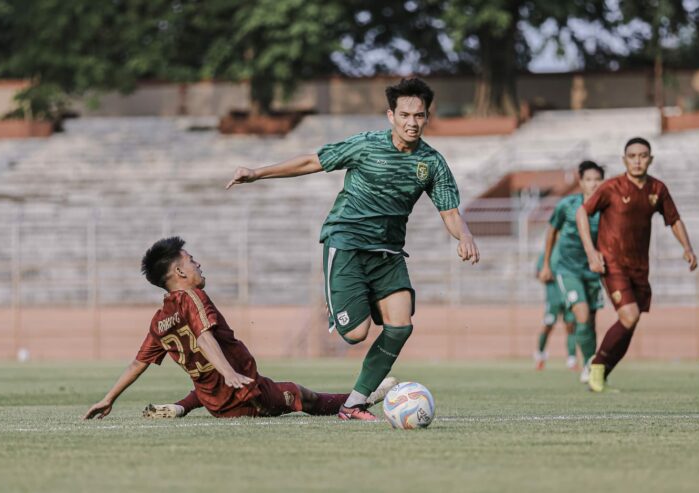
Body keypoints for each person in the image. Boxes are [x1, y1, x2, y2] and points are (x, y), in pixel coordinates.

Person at [225, 78, 480, 420]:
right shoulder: (366, 146)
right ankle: (345, 299)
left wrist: (464, 236)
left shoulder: (431, 163)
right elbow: (311, 162)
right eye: (405, 114)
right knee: (356, 334)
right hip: (346, 243)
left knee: (401, 325)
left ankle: (354, 403)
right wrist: (257, 173)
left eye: (419, 115)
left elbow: (450, 212)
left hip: (388, 253)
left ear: (427, 117)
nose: (412, 122)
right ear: (391, 115)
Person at [83, 237, 394, 420]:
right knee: (304, 395)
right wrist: (231, 374)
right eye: (191, 260)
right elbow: (204, 337)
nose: (198, 264)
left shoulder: (159, 320)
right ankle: (360, 400)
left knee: (205, 381)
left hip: (216, 403)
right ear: (179, 271)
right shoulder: (192, 296)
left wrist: (109, 398)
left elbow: (138, 363)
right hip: (247, 392)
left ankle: (180, 407)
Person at [576, 138, 697, 392]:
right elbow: (582, 212)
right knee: (628, 316)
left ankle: (601, 373)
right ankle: (595, 366)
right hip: (612, 263)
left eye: (643, 155)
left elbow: (673, 220)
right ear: (624, 160)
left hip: (639, 267)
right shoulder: (611, 187)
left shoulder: (657, 189)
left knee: (631, 322)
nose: (638, 160)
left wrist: (687, 247)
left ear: (650, 159)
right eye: (632, 156)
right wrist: (591, 251)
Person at [538, 161, 605, 382]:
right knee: (582, 315)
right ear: (581, 181)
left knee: (591, 321)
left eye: (597, 179)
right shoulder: (567, 205)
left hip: (594, 271)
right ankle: (587, 364)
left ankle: (591, 365)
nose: (593, 184)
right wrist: (547, 263)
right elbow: (552, 232)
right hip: (568, 270)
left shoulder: (606, 209)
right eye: (589, 179)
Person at [534, 252, 576, 371]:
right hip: (553, 298)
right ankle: (540, 355)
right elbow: (538, 274)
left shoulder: (567, 252)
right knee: (548, 326)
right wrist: (544, 274)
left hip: (568, 296)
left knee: (571, 326)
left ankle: (572, 360)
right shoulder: (546, 255)